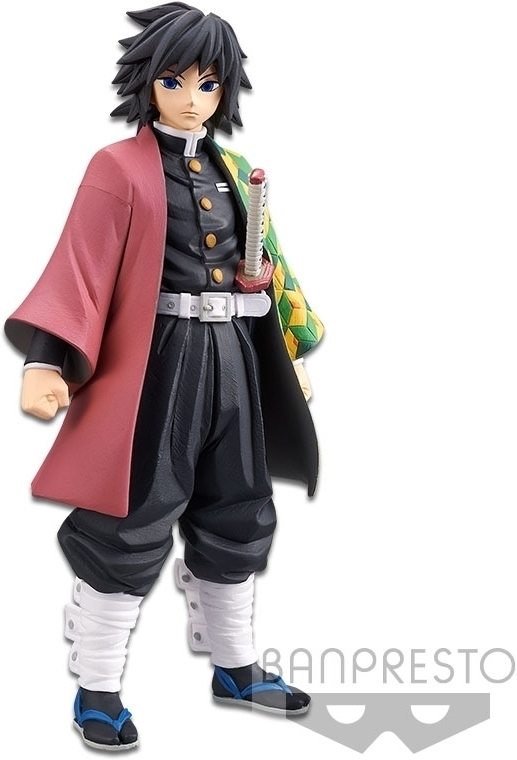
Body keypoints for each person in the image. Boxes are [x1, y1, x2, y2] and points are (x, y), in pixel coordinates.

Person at [4, 2, 323, 751]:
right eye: (175, 80)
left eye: (208, 83)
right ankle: (98, 686)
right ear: (148, 80)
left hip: (235, 358)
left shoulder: (238, 172)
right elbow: (79, 266)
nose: (191, 97)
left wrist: (288, 348)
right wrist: (46, 360)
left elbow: (271, 266)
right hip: (159, 361)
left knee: (239, 505)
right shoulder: (116, 168)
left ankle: (235, 667)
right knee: (133, 513)